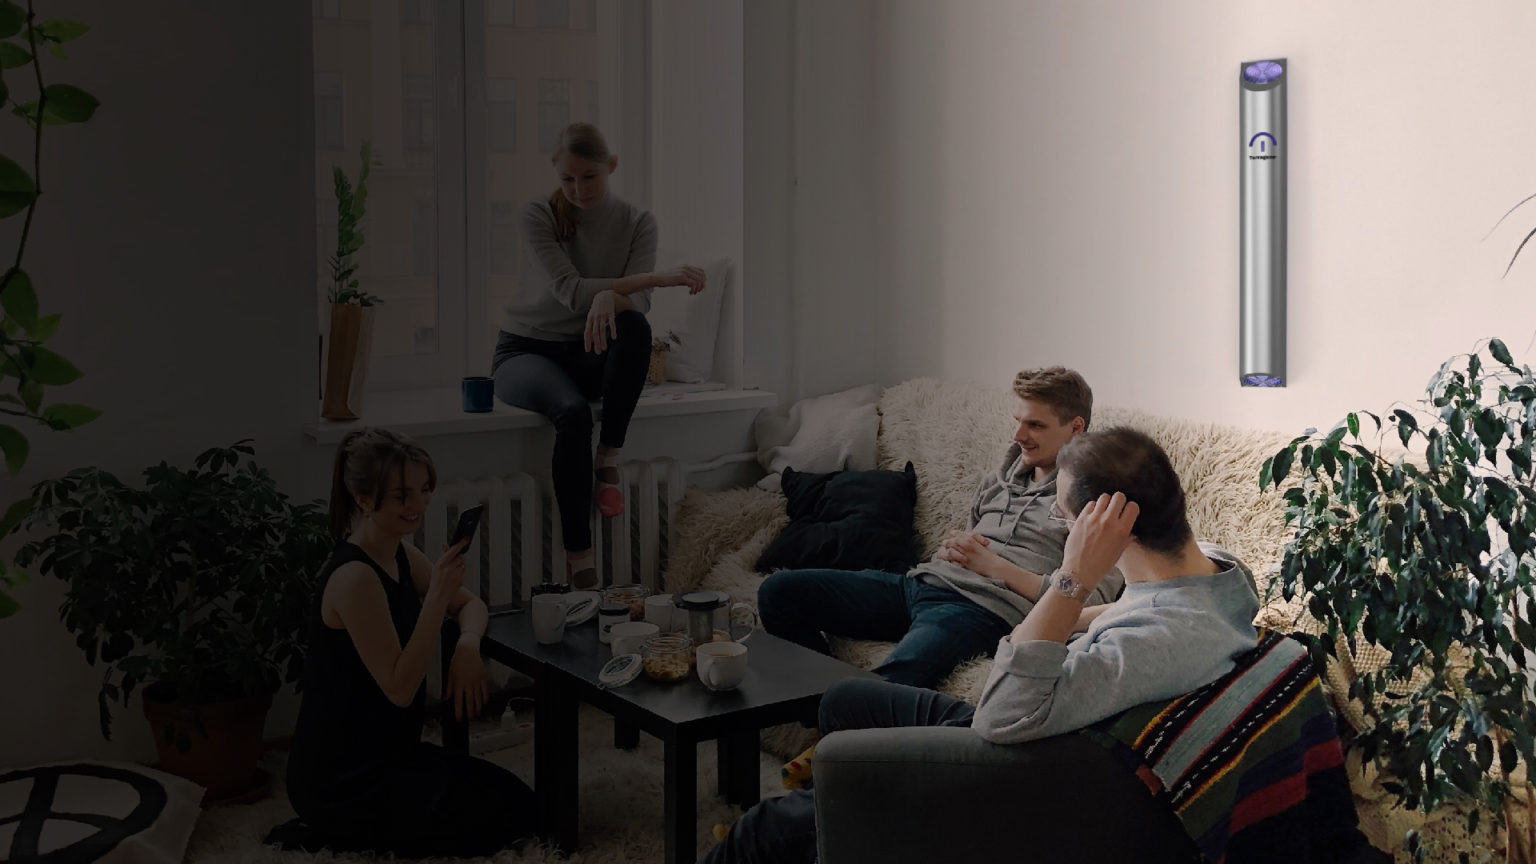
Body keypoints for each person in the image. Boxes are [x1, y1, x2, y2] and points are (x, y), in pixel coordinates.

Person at [701, 426, 1263, 864]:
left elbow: (1000, 715)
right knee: (844, 700)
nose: (1057, 518)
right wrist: (1075, 617)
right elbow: (1131, 610)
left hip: (1025, 762)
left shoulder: (1153, 644)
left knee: (766, 826)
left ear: (1103, 524)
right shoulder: (1220, 574)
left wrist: (1071, 579)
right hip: (1044, 720)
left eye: (1063, 512)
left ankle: (827, 820)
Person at [756, 367, 1122, 690]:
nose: (1017, 435)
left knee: (887, 685)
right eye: (1018, 421)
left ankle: (837, 723)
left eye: (1035, 425)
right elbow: (972, 542)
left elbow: (1087, 600)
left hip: (979, 611)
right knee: (779, 592)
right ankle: (819, 709)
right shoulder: (996, 482)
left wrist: (994, 567)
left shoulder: (1095, 501)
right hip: (920, 584)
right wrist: (953, 551)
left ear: (1076, 428)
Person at [277, 428, 536, 858]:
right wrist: (435, 599)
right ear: (363, 498)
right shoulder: (354, 577)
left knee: (517, 802)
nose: (419, 505)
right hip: (342, 777)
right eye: (403, 496)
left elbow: (470, 604)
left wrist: (467, 646)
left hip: (393, 754)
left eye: (424, 490)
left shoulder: (398, 553)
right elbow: (398, 688)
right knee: (494, 823)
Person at [493, 121, 707, 590]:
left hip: (588, 351)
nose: (578, 189)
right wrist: (654, 278)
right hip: (527, 351)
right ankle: (580, 558)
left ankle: (608, 454)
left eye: (588, 176)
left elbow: (639, 307)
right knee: (571, 414)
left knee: (634, 326)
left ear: (611, 166)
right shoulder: (538, 214)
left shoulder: (637, 222)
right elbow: (572, 293)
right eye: (567, 179)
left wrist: (613, 296)